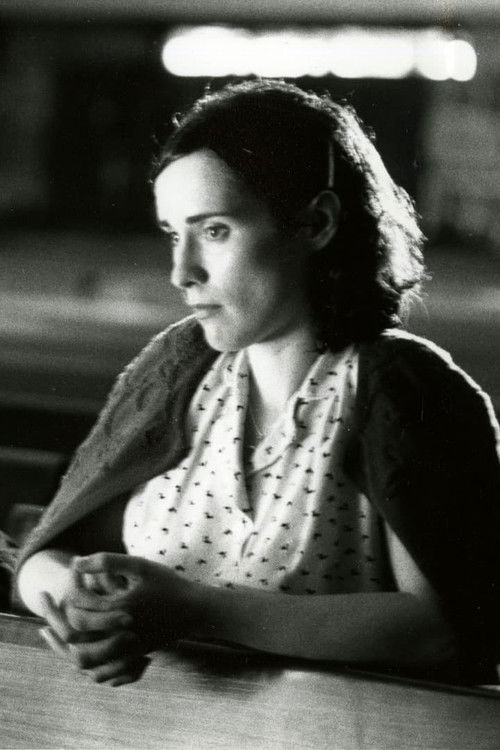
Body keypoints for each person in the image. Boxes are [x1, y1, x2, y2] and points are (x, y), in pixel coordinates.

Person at [15, 79, 500, 688]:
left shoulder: (402, 387)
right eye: (174, 233)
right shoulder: (178, 367)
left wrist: (197, 609)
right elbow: (45, 554)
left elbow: (448, 630)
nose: (181, 272)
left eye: (215, 231)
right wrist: (79, 602)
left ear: (317, 222)